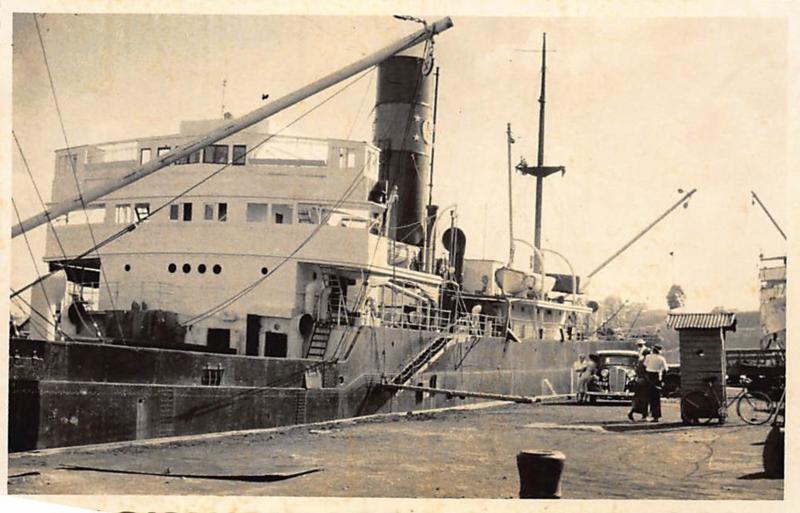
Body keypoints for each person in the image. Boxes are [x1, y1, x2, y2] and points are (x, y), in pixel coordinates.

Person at [643, 344, 669, 422]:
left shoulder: (648, 357)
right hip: (656, 377)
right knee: (655, 398)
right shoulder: (661, 359)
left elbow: (645, 366)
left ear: (653, 350)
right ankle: (656, 416)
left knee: (646, 396)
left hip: (648, 376)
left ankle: (645, 414)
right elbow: (666, 369)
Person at [627, 347, 651, 421]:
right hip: (644, 382)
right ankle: (644, 415)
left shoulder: (640, 361)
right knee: (645, 399)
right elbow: (647, 372)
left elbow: (637, 371)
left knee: (638, 398)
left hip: (639, 381)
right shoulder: (646, 362)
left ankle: (633, 411)